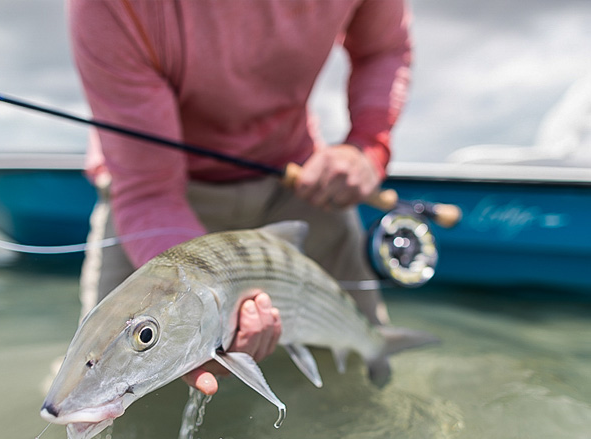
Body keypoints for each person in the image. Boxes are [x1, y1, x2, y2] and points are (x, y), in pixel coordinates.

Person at [69, 0, 412, 396]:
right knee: (97, 384)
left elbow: (383, 47)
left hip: (297, 182)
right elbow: (149, 190)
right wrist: (206, 311)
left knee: (359, 385)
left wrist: (367, 146)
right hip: (154, 195)